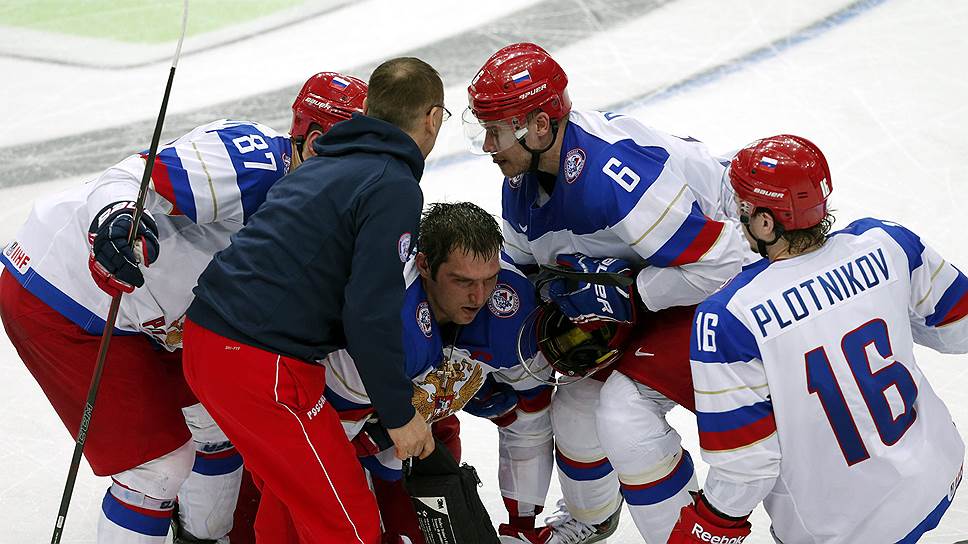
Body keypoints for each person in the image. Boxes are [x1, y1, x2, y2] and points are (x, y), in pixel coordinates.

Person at [0, 71, 365, 543]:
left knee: (219, 426)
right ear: (312, 145)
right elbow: (133, 176)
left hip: (161, 320)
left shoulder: (343, 209)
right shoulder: (247, 163)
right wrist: (116, 218)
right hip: (66, 292)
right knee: (158, 468)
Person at [463, 43, 752, 543]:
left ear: (539, 126)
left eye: (497, 130)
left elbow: (729, 258)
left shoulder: (612, 176)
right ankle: (594, 519)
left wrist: (632, 294)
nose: (488, 145)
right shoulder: (521, 185)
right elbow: (528, 273)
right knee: (575, 408)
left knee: (622, 412)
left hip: (729, 274)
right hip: (668, 278)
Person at [181, 57, 446, 543]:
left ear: (368, 109)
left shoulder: (325, 164)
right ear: (431, 119)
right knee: (350, 527)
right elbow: (368, 311)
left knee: (290, 502)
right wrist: (399, 413)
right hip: (261, 365)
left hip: (206, 345)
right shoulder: (392, 184)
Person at [670, 134, 967, 543]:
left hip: (843, 529)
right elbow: (960, 330)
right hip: (938, 473)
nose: (737, 217)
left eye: (744, 209)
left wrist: (711, 525)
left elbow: (747, 468)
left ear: (766, 222)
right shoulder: (887, 242)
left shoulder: (728, 318)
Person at [323, 201, 554, 543]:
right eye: (462, 281)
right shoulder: (386, 322)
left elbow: (529, 420)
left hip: (420, 429)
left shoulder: (512, 306)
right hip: (335, 415)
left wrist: (522, 526)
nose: (479, 296)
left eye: (489, 279)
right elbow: (320, 449)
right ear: (424, 265)